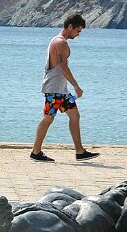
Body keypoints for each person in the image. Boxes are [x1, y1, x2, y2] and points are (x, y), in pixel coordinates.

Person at [31, 13, 98, 162]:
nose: (78, 34)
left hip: (61, 89)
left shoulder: (60, 42)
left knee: (74, 116)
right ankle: (35, 152)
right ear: (69, 27)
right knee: (48, 117)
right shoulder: (60, 42)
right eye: (77, 30)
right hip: (54, 88)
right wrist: (76, 86)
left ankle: (80, 152)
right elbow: (63, 67)